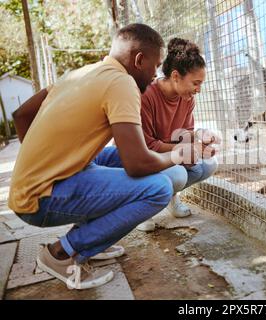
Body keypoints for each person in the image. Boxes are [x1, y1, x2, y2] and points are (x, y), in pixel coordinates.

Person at [8, 24, 197, 290]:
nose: (155, 74)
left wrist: (46, 160)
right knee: (158, 188)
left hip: (31, 187)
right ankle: (61, 253)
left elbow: (21, 115)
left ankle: (91, 241)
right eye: (154, 65)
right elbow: (137, 164)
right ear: (139, 59)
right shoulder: (122, 83)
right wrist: (179, 154)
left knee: (113, 157)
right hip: (38, 200)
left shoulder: (80, 73)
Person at [135, 38, 221, 232]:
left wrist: (200, 138)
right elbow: (146, 145)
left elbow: (184, 133)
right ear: (175, 76)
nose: (198, 90)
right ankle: (141, 208)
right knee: (178, 174)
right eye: (195, 83)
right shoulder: (147, 95)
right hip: (145, 159)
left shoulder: (187, 98)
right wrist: (185, 150)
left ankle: (171, 198)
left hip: (169, 154)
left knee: (207, 165)